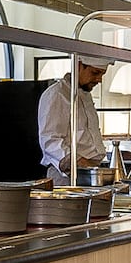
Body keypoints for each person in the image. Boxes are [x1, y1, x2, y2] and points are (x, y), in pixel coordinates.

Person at [37, 56, 110, 184]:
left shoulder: (85, 94)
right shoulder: (57, 94)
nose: (99, 79)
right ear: (78, 65)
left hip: (89, 173)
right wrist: (79, 162)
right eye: (95, 73)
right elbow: (50, 141)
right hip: (66, 177)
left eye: (102, 74)